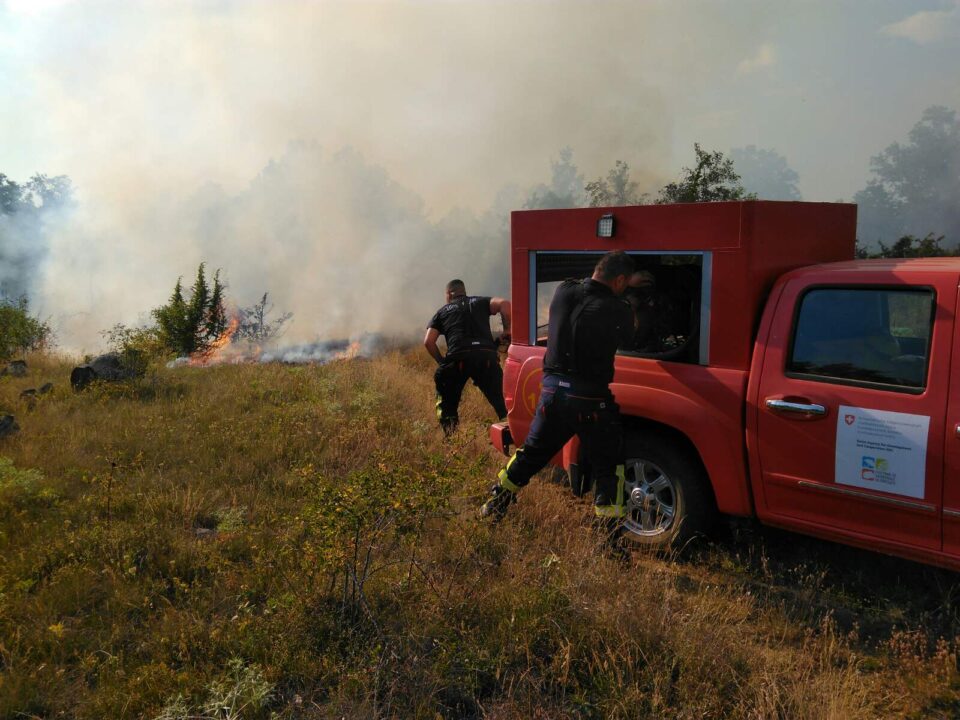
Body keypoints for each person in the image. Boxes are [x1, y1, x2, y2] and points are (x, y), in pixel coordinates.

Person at [481, 251, 636, 537]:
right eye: (625, 283)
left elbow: (585, 289)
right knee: (609, 468)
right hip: (590, 402)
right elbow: (631, 337)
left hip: (552, 395)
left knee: (530, 455)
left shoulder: (564, 290)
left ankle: (496, 502)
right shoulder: (618, 308)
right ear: (621, 280)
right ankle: (610, 539)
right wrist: (633, 298)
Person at [424, 279, 511, 435]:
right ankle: (512, 433)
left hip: (457, 358)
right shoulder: (481, 301)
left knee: (447, 403)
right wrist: (507, 330)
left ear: (449, 294)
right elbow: (505, 303)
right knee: (502, 400)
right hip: (486, 357)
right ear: (463, 291)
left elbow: (428, 342)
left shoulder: (442, 312)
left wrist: (442, 363)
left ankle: (451, 437)